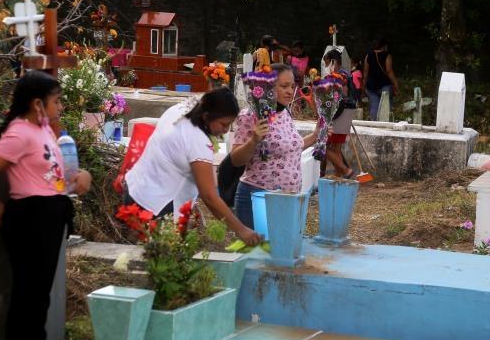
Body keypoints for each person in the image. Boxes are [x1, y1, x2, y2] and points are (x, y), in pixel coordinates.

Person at [0, 71, 92, 340]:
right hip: (29, 217)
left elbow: (55, 170)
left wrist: (80, 176)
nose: (61, 106)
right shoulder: (19, 132)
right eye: (57, 100)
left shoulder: (43, 128)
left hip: (50, 213)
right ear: (37, 103)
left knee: (40, 296)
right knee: (26, 297)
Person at [124, 87, 260, 246]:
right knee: (159, 261)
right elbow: (209, 196)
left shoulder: (182, 109)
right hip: (155, 206)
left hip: (135, 189)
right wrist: (242, 230)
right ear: (207, 116)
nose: (225, 130)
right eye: (224, 124)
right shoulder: (197, 140)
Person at [230, 64, 320, 227]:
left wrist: (316, 136)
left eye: (292, 86)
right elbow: (236, 160)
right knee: (259, 251)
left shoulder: (285, 113)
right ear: (268, 87)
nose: (289, 91)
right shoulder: (250, 116)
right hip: (258, 198)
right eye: (284, 86)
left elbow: (291, 148)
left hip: (288, 199)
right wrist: (254, 140)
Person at [323, 49, 357, 179]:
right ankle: (338, 176)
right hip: (347, 111)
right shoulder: (346, 74)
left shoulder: (338, 76)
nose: (326, 67)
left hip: (340, 112)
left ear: (333, 62)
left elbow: (336, 96)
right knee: (336, 148)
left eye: (327, 63)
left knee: (324, 147)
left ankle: (345, 170)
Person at [363, 38, 399, 120]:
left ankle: (374, 124)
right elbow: (389, 71)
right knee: (386, 104)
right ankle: (386, 122)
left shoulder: (368, 56)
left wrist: (363, 86)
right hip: (384, 84)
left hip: (371, 86)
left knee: (374, 105)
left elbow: (365, 72)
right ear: (384, 46)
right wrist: (396, 83)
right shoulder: (387, 55)